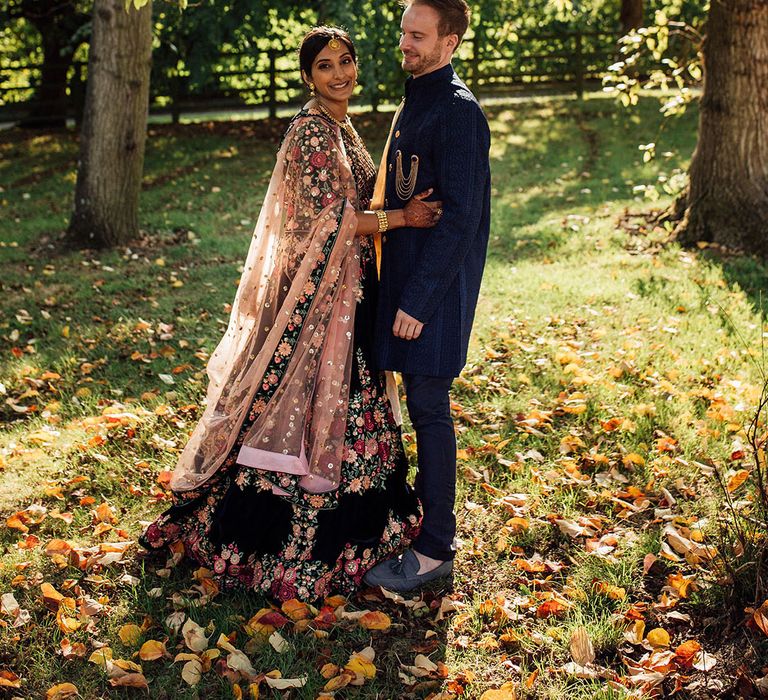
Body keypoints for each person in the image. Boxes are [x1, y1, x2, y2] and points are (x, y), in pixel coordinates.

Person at [139, 26, 442, 603]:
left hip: (351, 291)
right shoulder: (309, 133)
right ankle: (283, 542)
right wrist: (403, 220)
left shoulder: (340, 126)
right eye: (325, 66)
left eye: (346, 62)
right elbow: (326, 223)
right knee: (303, 398)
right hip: (321, 301)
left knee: (355, 396)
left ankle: (365, 526)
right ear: (308, 77)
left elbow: (358, 201)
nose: (339, 74)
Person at [363, 0, 491, 592]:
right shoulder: (418, 96)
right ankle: (416, 521)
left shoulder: (458, 110)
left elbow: (462, 218)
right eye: (404, 33)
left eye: (418, 35)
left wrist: (418, 302)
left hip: (433, 292)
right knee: (414, 407)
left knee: (430, 410)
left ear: (451, 42)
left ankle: (437, 547)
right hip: (403, 278)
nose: (406, 44)